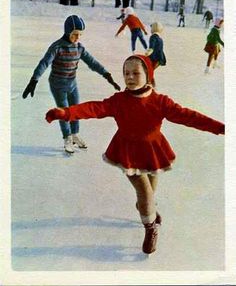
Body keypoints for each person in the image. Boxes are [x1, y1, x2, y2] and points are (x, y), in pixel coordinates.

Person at [45, 54, 224, 255]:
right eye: (126, 73)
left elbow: (189, 116)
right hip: (128, 152)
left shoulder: (160, 101)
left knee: (148, 196)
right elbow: (94, 108)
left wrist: (220, 127)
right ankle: (150, 227)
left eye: (135, 73)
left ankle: (147, 210)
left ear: (148, 75)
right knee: (145, 192)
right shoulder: (119, 100)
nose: (129, 77)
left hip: (154, 151)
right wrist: (66, 113)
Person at [22, 15, 120, 154]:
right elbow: (44, 63)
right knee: (64, 111)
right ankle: (67, 137)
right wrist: (34, 80)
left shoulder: (79, 48)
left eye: (80, 34)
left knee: (76, 110)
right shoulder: (57, 47)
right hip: (58, 84)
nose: (78, 37)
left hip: (72, 83)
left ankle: (74, 134)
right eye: (75, 34)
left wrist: (107, 75)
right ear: (68, 32)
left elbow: (93, 63)